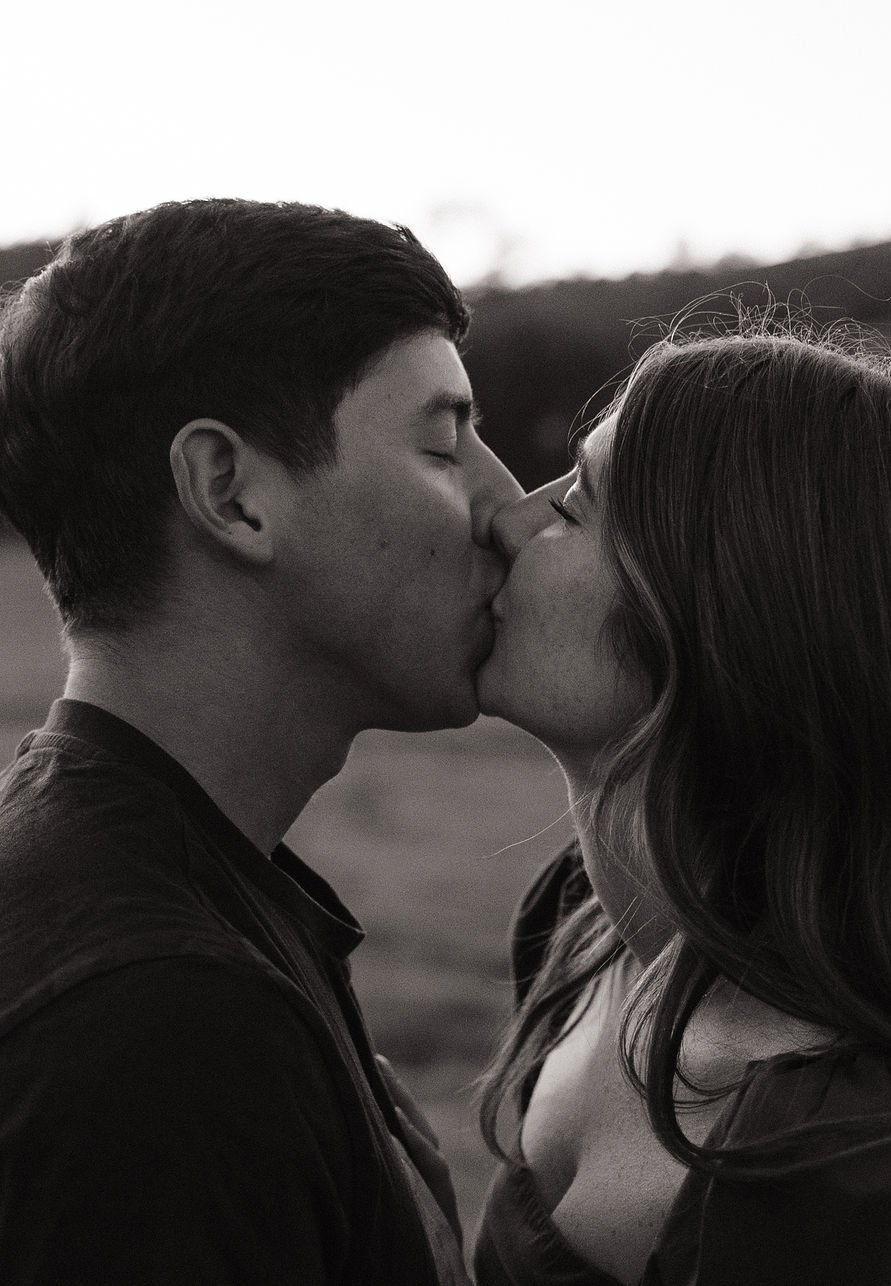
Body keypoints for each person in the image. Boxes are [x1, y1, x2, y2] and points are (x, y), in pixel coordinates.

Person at [0, 198, 521, 1284]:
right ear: (231, 493)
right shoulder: (161, 1024)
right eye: (444, 441)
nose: (508, 505)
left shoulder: (145, 884)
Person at [473, 314, 891, 1284]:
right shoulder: (583, 932)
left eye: (577, 506)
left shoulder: (862, 1181)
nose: (512, 517)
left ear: (725, 609)